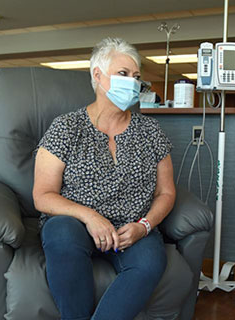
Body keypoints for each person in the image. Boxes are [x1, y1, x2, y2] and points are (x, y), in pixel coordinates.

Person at [32, 37, 175, 320]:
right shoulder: (66, 127)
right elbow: (42, 195)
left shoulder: (151, 132)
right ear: (98, 75)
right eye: (123, 74)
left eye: (136, 77)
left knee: (149, 263)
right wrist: (90, 217)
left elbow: (166, 193)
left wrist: (144, 227)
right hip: (75, 224)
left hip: (131, 229)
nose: (132, 83)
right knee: (60, 234)